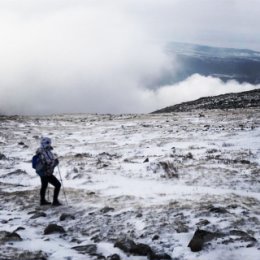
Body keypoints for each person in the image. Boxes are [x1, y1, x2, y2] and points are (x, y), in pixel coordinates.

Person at [36, 137, 62, 206]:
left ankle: (42, 201)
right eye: (48, 143)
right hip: (46, 173)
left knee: (44, 186)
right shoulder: (44, 152)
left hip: (42, 172)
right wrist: (55, 163)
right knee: (58, 185)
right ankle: (55, 201)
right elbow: (48, 163)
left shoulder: (40, 151)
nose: (49, 144)